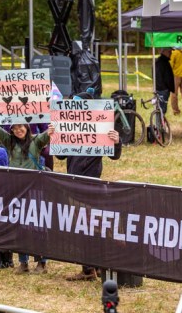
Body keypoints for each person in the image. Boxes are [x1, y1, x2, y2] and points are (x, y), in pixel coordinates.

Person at [60, 91, 122, 281]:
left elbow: (114, 156)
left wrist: (116, 141)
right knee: (80, 228)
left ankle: (102, 266)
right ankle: (87, 269)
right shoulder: (70, 128)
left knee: (95, 228)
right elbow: (60, 156)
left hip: (92, 185)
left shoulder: (102, 127)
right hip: (73, 184)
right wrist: (56, 135)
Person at [0, 122, 54, 273]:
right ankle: (23, 263)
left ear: (27, 127)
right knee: (19, 226)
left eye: (21, 127)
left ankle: (41, 263)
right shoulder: (9, 142)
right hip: (17, 189)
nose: (18, 130)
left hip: (34, 189)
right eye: (14, 128)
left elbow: (48, 134)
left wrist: (51, 130)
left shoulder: (36, 141)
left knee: (38, 226)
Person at [154, 48, 175, 114]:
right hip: (162, 89)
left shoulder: (162, 62)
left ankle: (160, 123)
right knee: (161, 110)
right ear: (165, 52)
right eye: (170, 51)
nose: (171, 53)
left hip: (162, 89)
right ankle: (160, 123)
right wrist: (166, 88)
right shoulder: (162, 62)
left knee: (161, 109)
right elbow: (166, 77)